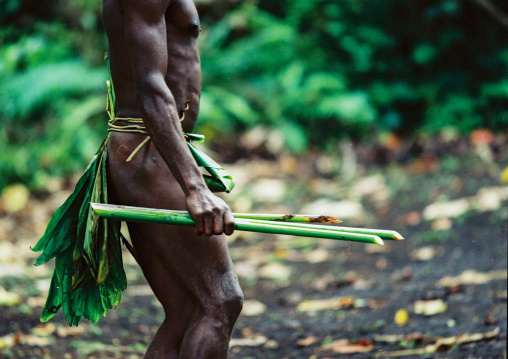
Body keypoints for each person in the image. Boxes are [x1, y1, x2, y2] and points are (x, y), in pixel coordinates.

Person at [33, 0, 244, 357]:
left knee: (185, 312)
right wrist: (194, 187)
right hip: (147, 153)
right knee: (219, 302)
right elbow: (151, 86)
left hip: (146, 152)